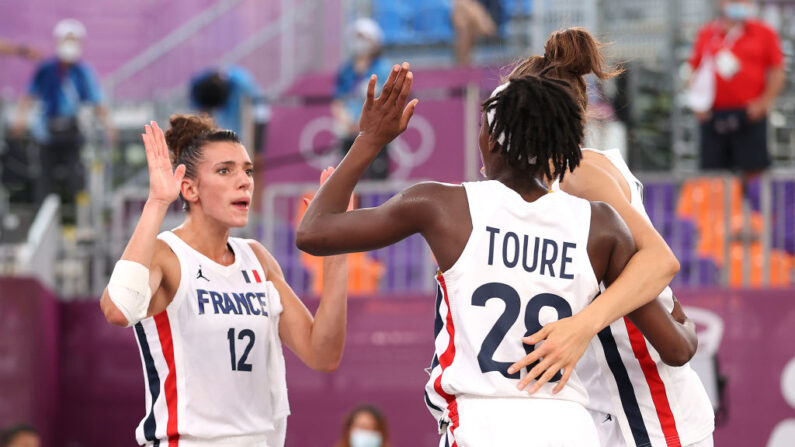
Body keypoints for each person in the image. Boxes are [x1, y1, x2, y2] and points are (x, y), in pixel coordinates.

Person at [298, 63, 678, 445]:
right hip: (569, 428)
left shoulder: (443, 204)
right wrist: (677, 318)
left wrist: (368, 138)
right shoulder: (601, 224)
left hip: (482, 422)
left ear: (493, 140)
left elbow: (314, 231)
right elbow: (677, 348)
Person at [510, 27, 715, 447]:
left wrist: (582, 326)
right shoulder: (550, 179)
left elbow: (661, 261)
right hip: (605, 405)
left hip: (649, 410)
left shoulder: (576, 172)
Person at [99, 115, 348, 446]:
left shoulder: (257, 258)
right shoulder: (166, 254)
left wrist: (339, 249)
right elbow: (117, 309)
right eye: (225, 171)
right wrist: (158, 202)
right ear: (189, 188)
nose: (244, 181)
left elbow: (323, 353)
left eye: (247, 170)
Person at [11, 18, 113, 205]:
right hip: (46, 134)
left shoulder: (83, 72)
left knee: (77, 176)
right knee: (44, 177)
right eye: (67, 40)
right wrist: (20, 120)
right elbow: (28, 96)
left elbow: (98, 101)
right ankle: (43, 213)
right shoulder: (47, 69)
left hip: (72, 133)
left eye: (74, 40)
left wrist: (109, 126)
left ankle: (80, 218)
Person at [688, 0, 785, 182]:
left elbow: (777, 72)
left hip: (750, 115)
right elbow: (694, 70)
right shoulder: (707, 34)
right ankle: (722, 210)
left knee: (754, 173)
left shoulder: (764, 32)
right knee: (713, 177)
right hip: (712, 115)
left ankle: (754, 210)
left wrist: (763, 103)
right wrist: (697, 104)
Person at [331, 18, 392, 180]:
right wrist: (348, 123)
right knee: (348, 180)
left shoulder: (383, 69)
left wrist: (365, 124)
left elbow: (386, 102)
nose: (358, 42)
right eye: (356, 37)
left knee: (377, 179)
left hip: (375, 134)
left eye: (363, 37)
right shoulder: (345, 70)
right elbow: (337, 101)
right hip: (348, 133)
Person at [190, 66, 269, 158]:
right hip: (228, 125)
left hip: (249, 122)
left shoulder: (242, 84)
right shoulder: (199, 85)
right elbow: (203, 114)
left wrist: (255, 148)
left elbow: (259, 116)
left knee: (254, 156)